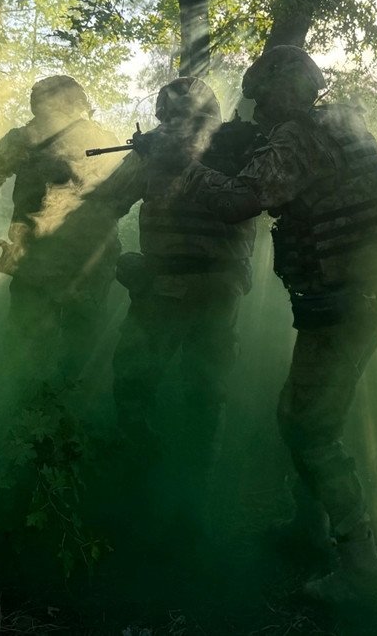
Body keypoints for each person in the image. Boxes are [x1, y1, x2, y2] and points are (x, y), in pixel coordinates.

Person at [180, 46, 377, 603]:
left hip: (342, 302)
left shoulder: (297, 136)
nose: (256, 109)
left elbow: (240, 201)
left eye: (262, 96)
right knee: (304, 416)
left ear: (285, 89)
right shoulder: (344, 124)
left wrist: (185, 168)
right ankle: (309, 529)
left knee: (308, 427)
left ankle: (363, 571)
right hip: (363, 295)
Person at [91, 77, 259, 537]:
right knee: (204, 396)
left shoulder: (155, 149)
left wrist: (117, 260)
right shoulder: (244, 148)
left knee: (132, 386)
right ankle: (192, 505)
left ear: (165, 111)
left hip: (162, 290)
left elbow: (107, 201)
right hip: (221, 291)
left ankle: (138, 490)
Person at [0, 75, 122, 384]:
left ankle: (27, 418)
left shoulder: (22, 138)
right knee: (80, 347)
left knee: (27, 348)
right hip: (92, 258)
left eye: (38, 98)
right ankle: (67, 418)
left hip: (38, 258)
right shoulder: (104, 137)